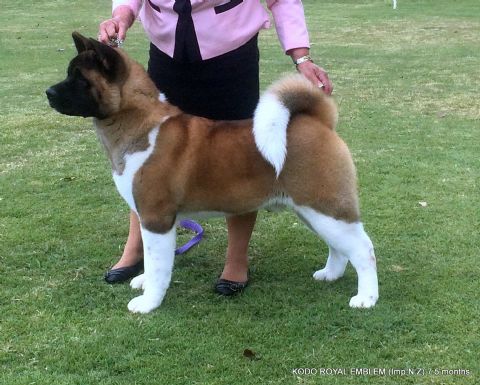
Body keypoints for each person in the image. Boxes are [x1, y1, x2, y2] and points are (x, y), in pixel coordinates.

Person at [98, 0, 333, 295]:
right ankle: (136, 249)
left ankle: (236, 260)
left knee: (239, 159)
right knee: (149, 160)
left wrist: (301, 58)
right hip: (167, 52)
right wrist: (122, 15)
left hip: (230, 53)